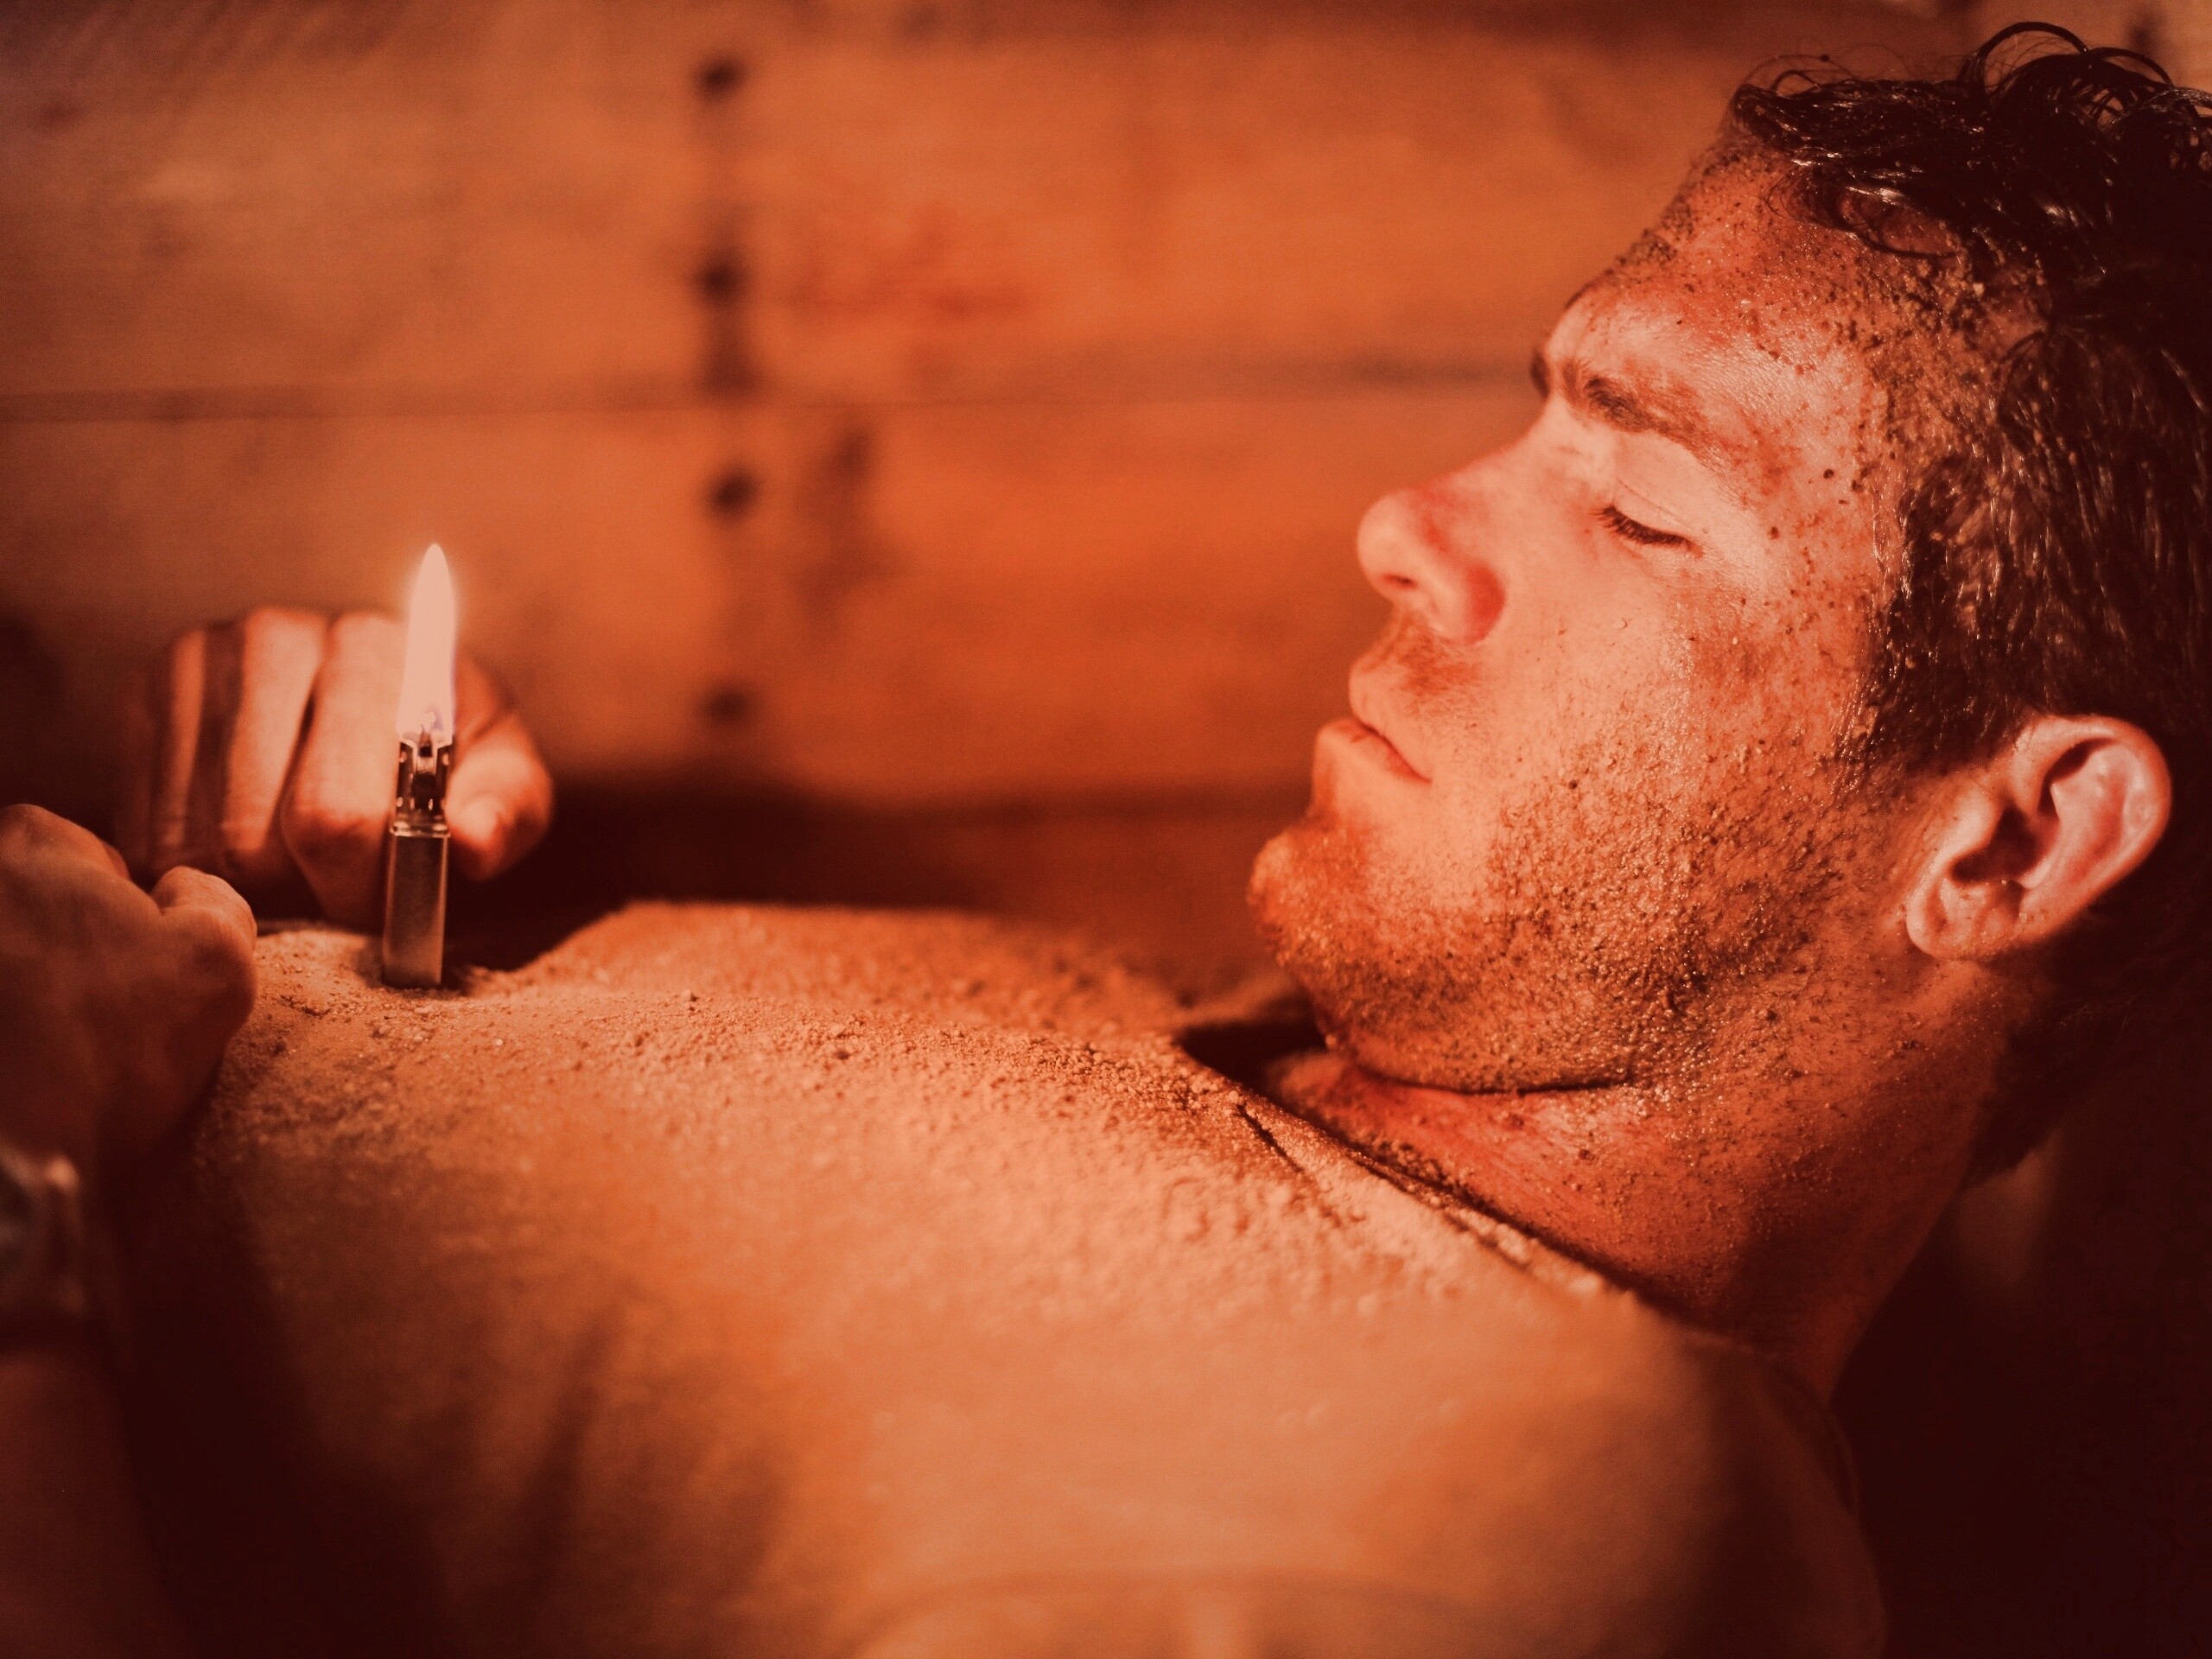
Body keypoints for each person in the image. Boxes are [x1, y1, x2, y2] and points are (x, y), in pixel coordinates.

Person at [5, 25, 2210, 1656]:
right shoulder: (1296, 1048)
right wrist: (332, 890)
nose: (1404, 523)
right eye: (1541, 413)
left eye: (1639, 506)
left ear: (2014, 844)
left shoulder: (1503, 1532)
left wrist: (27, 1185)